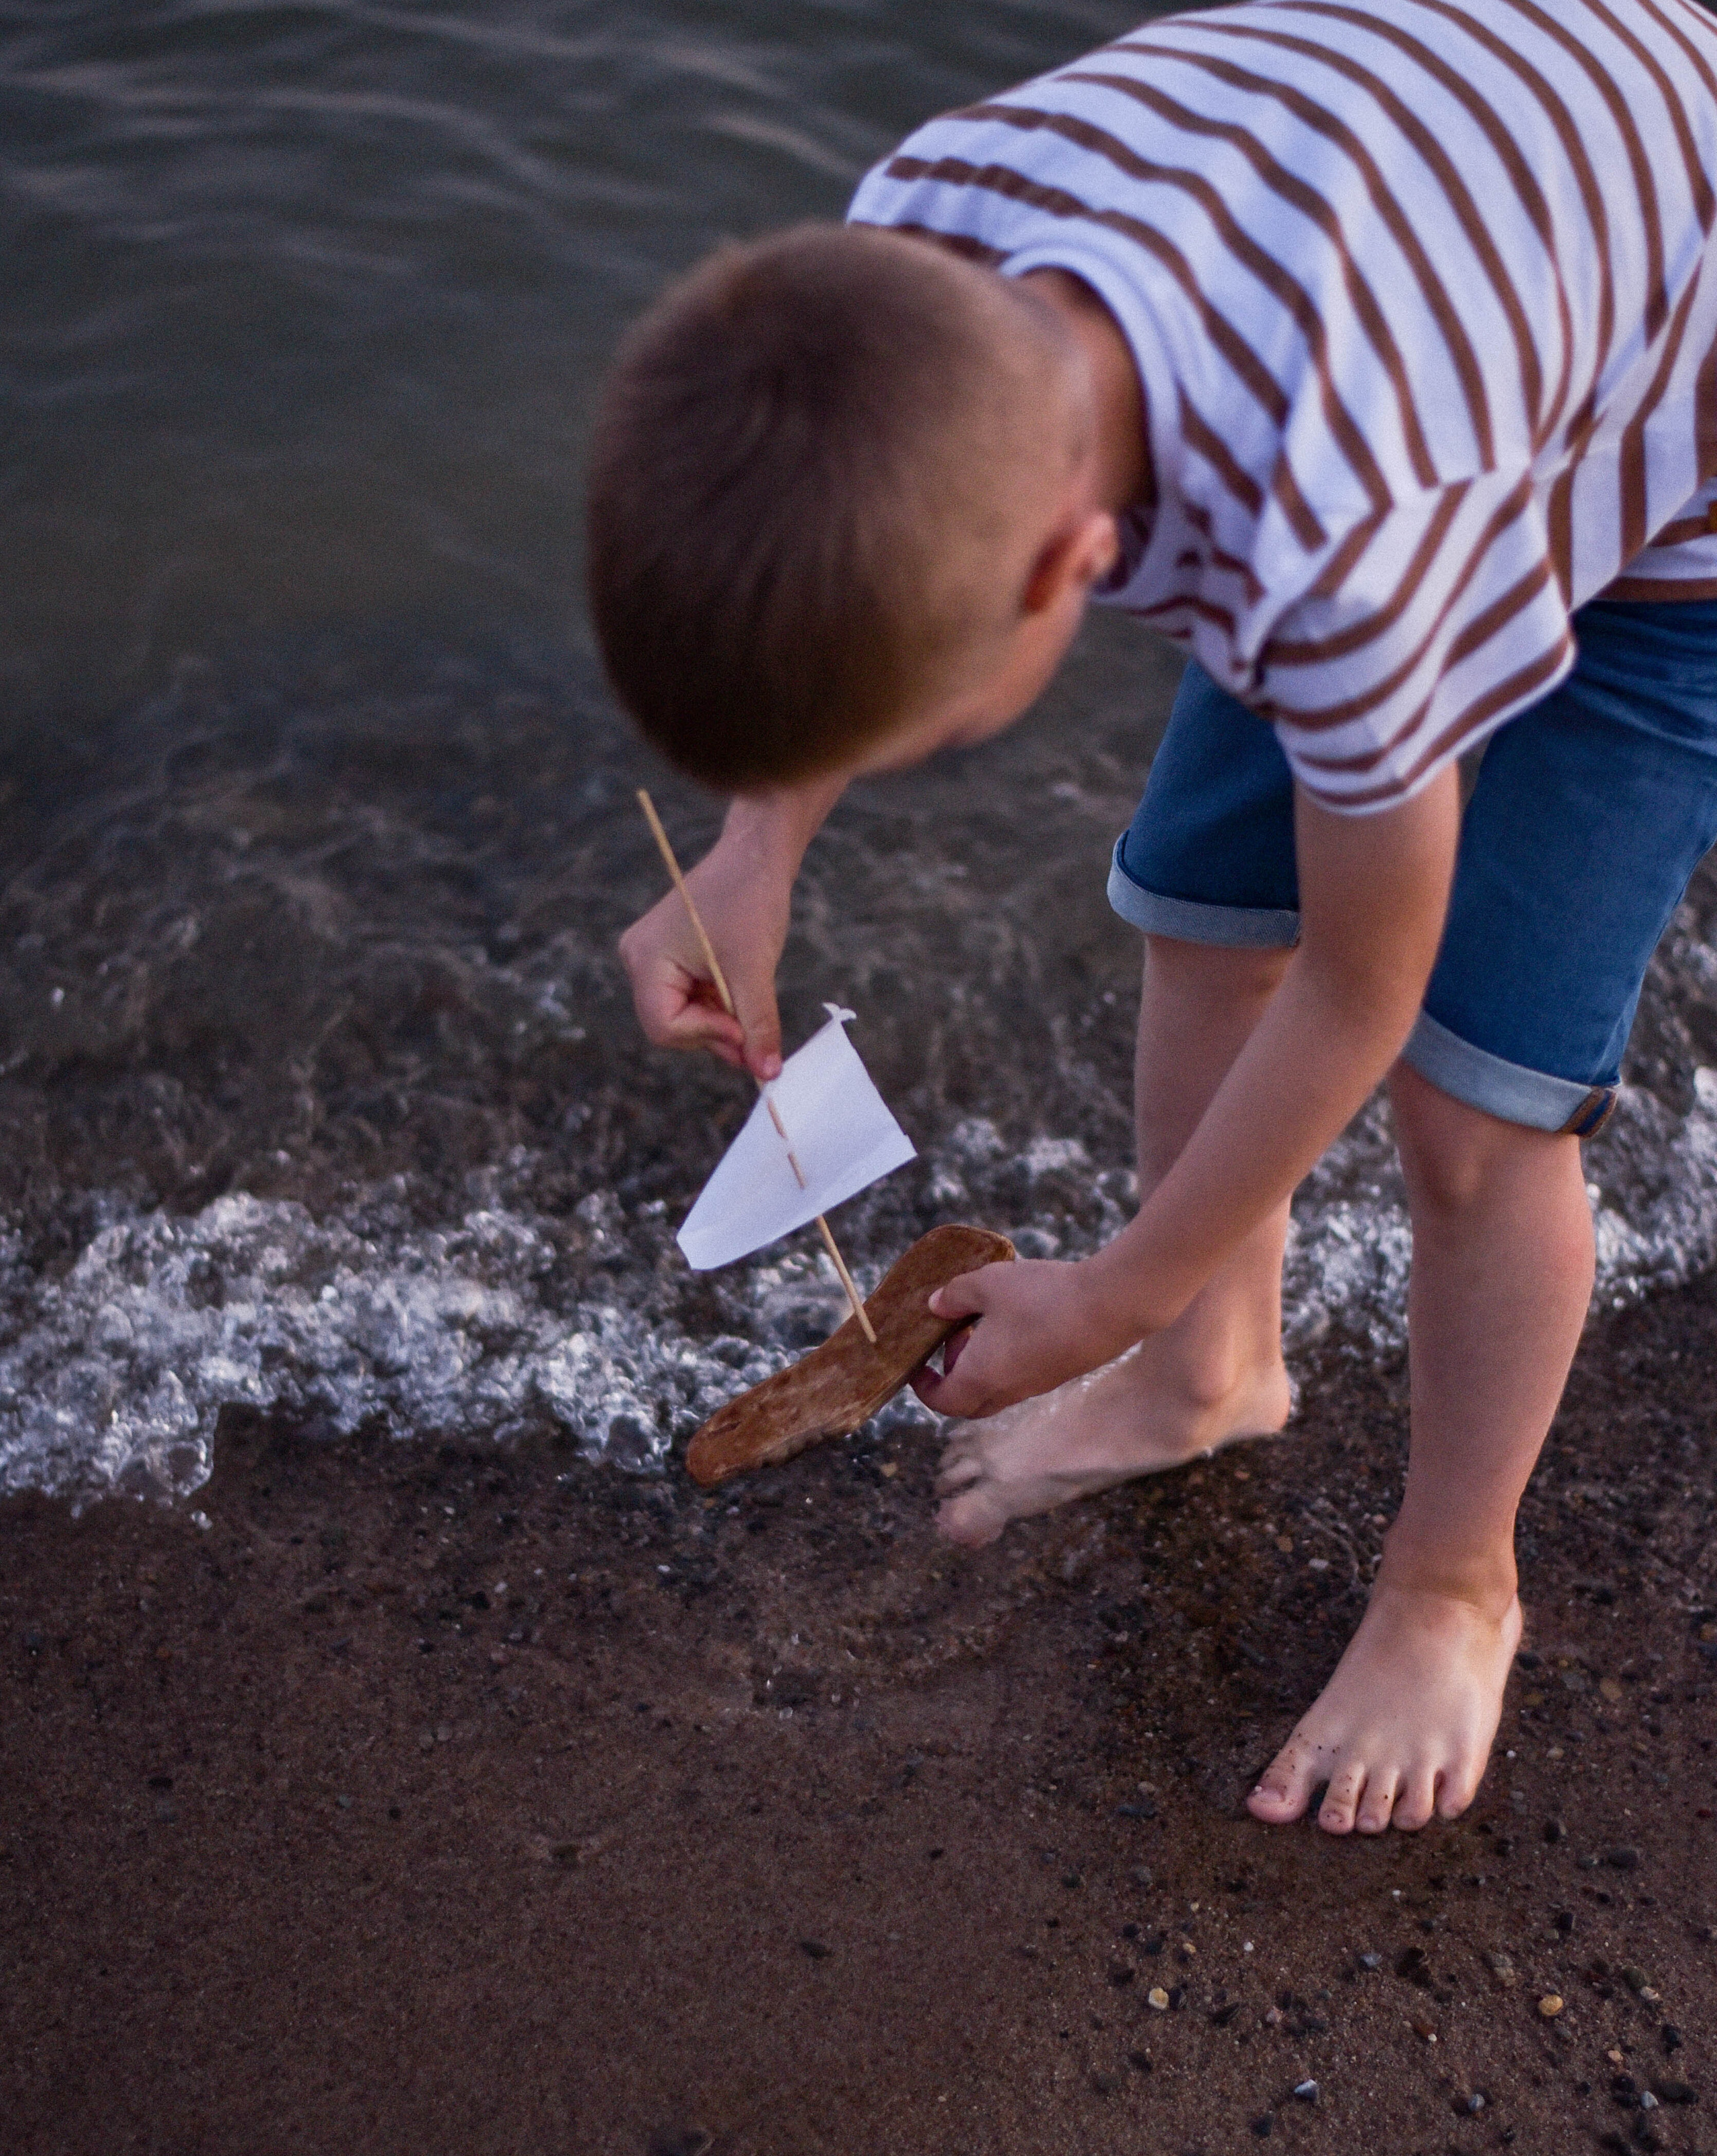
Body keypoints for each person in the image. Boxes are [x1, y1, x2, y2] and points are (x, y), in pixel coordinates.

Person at [590, 0, 1717, 1835]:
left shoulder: (1346, 547)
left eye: (913, 732)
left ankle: (1452, 1581)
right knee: (1198, 910)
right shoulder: (908, 253)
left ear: (1073, 567)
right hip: (1420, 268)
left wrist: (1110, 1284)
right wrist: (755, 852)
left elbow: (1370, 976)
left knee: (1473, 1109)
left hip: (1665, 484)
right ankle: (1216, 1373)